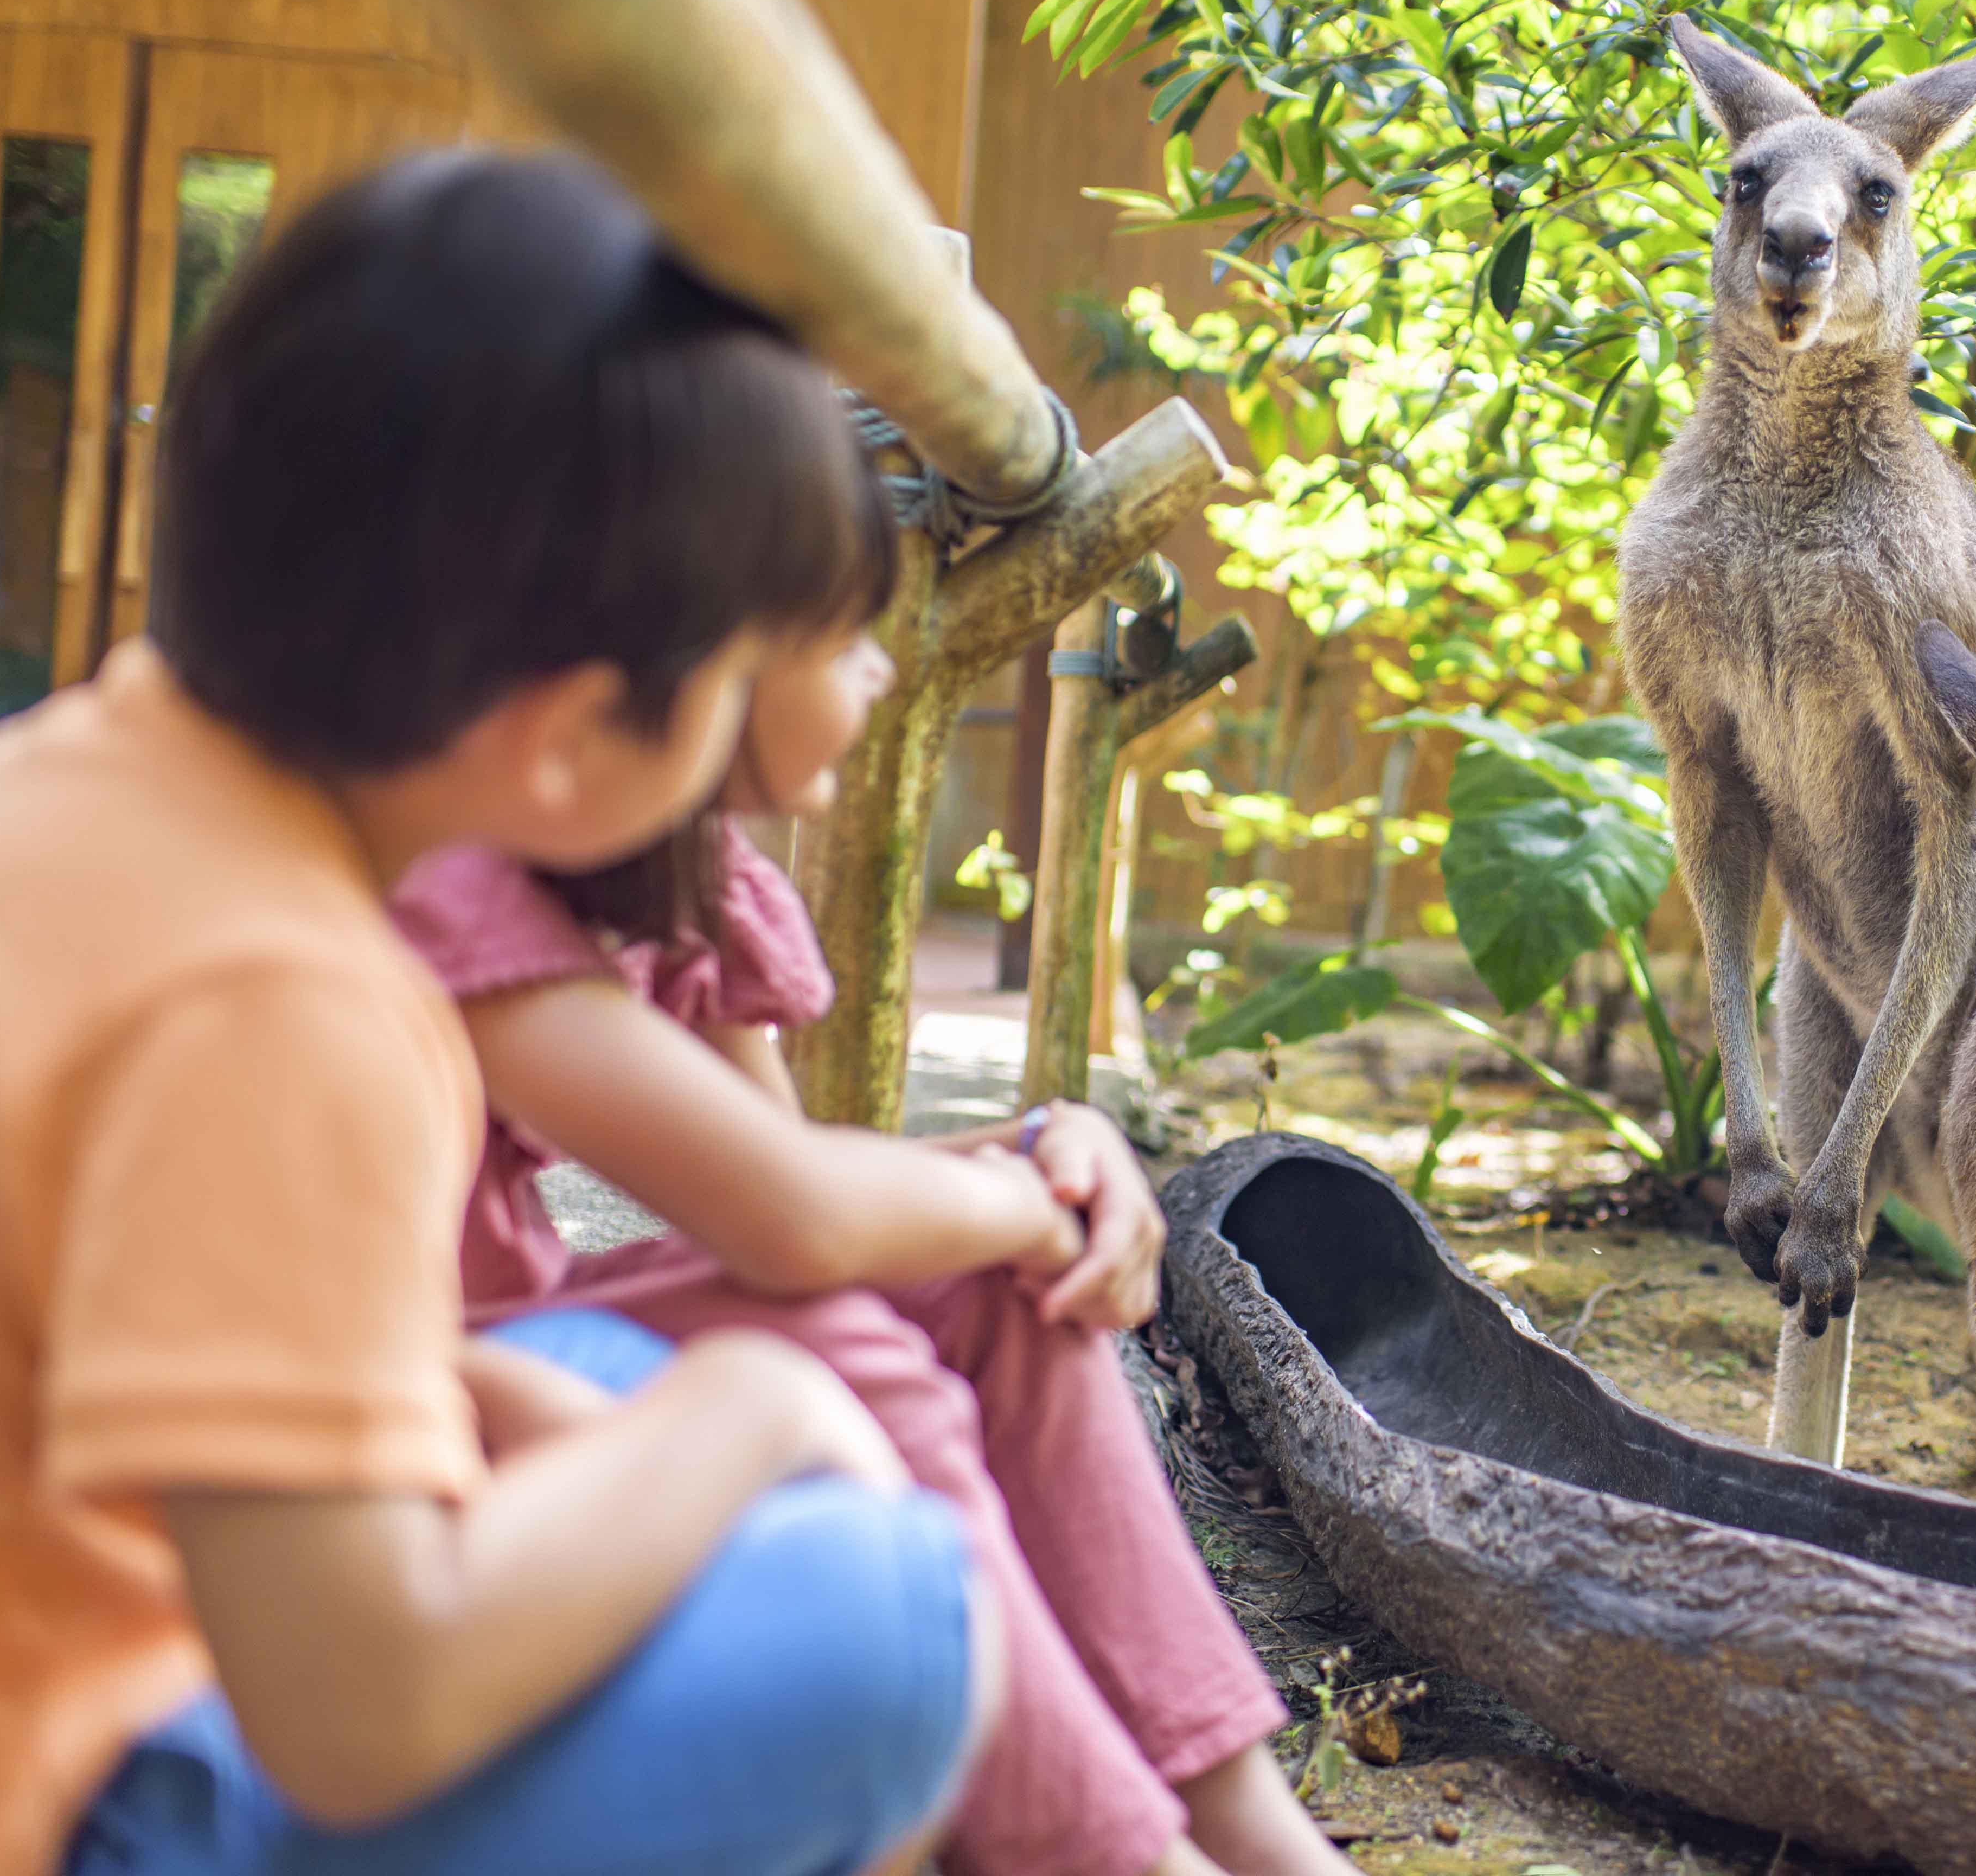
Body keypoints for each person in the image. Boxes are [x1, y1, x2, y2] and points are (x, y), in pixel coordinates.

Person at [0, 151, 1003, 1876]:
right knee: (887, 1619)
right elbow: (361, 1718)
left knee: (576, 1363)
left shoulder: (61, 780)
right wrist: (743, 1413)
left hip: (41, 1591)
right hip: (55, 1787)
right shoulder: (287, 1007)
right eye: (737, 672)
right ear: (581, 733)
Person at [389, 545, 1349, 1876]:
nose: (883, 665)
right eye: (844, 636)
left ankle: (1240, 1819)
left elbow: (795, 1176)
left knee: (988, 1279)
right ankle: (1105, 1851)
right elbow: (792, 1225)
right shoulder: (464, 880)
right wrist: (1015, 1195)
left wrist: (1053, 1153)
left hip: (538, 1343)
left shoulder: (677, 873)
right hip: (409, 1395)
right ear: (704, 663)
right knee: (841, 1328)